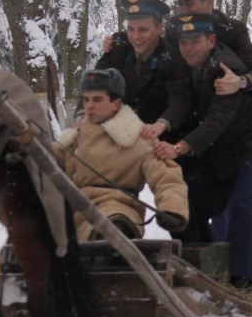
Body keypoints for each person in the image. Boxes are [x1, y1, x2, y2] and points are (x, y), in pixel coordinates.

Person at [154, 13, 252, 289]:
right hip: (224, 150)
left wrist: (180, 147)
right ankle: (212, 269)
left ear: (211, 40)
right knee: (202, 204)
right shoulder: (185, 62)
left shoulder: (225, 70)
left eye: (195, 41)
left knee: (242, 204)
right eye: (184, 42)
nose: (188, 48)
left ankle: (239, 281)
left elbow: (215, 121)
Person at [52, 68, 188, 241]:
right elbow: (46, 158)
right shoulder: (75, 137)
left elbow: (166, 176)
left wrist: (171, 207)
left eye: (97, 99)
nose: (90, 106)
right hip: (75, 210)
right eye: (86, 100)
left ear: (116, 104)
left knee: (109, 227)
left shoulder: (137, 138)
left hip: (119, 209)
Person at [93, 0, 191, 139]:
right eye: (131, 29)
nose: (135, 36)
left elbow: (180, 98)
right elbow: (95, 83)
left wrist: (162, 123)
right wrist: (82, 114)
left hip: (156, 139)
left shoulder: (172, 59)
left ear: (159, 29)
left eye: (143, 30)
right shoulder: (119, 47)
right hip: (118, 134)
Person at [167, 0, 252, 96]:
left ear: (209, 1)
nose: (183, 11)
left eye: (189, 4)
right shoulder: (173, 31)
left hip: (229, 105)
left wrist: (240, 82)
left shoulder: (232, 30)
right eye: (180, 4)